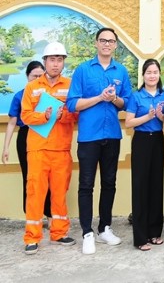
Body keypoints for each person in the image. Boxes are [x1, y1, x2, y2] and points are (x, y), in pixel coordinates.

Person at [67, 27, 131, 255]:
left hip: (112, 134)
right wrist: (99, 97)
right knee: (86, 185)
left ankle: (105, 228)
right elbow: (72, 104)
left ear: (115, 45)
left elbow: (127, 104)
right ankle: (87, 232)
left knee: (109, 183)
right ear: (96, 43)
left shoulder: (121, 71)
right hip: (89, 137)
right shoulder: (83, 70)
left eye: (111, 41)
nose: (107, 44)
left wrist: (114, 99)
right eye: (103, 40)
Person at [20, 43, 77, 254]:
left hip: (61, 149)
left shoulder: (71, 86)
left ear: (63, 62)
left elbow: (76, 114)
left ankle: (59, 233)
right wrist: (42, 116)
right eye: (52, 59)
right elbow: (25, 115)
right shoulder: (32, 87)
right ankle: (32, 237)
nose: (56, 63)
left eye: (60, 59)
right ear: (45, 61)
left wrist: (64, 116)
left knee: (60, 192)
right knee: (35, 193)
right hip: (37, 149)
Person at [124, 58, 164, 251]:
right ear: (143, 75)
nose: (152, 75)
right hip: (141, 141)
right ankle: (140, 237)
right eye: (148, 72)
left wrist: (160, 116)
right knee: (140, 188)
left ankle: (155, 233)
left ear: (159, 75)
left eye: (155, 72)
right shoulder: (136, 96)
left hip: (158, 140)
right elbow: (129, 123)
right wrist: (148, 117)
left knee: (156, 186)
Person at [3, 60, 51, 219]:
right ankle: (32, 216)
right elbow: (11, 123)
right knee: (29, 177)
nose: (37, 79)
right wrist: (5, 148)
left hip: (46, 137)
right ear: (27, 76)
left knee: (49, 177)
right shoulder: (20, 96)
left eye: (40, 75)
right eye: (34, 76)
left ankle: (50, 214)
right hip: (25, 136)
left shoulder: (48, 95)